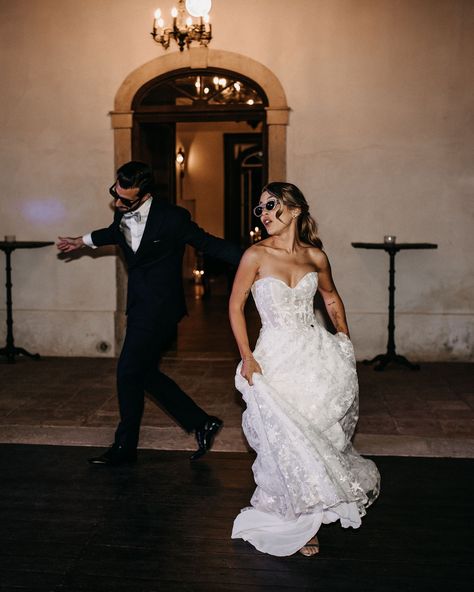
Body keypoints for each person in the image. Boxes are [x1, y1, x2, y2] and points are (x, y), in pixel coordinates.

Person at [229, 182, 380, 557]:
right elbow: (235, 307)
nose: (263, 214)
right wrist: (248, 356)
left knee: (317, 435)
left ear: (294, 210)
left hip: (315, 354)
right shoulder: (255, 256)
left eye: (270, 205)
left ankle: (314, 511)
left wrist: (343, 338)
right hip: (273, 356)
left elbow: (330, 296)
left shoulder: (316, 256)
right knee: (284, 441)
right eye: (259, 209)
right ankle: (297, 519)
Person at [57, 161, 241, 465]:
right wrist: (82, 241)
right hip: (140, 305)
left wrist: (256, 257)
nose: (117, 202)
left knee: (128, 372)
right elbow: (115, 233)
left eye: (125, 199)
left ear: (144, 196)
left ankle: (124, 448)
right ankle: (201, 422)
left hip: (161, 309)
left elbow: (208, 243)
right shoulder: (122, 213)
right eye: (114, 193)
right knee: (143, 373)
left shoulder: (172, 218)